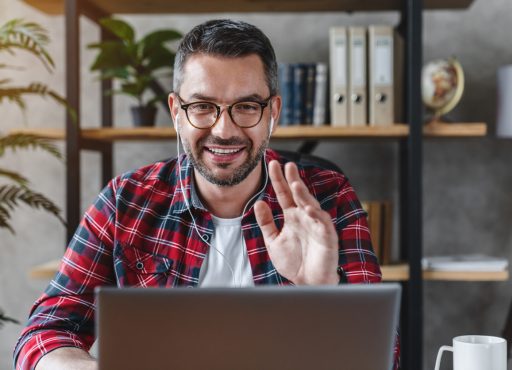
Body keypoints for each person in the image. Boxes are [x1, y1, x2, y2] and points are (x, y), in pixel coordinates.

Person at [14, 19, 398, 370]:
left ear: (273, 113)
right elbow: (44, 332)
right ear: (176, 112)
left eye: (246, 106)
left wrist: (323, 294)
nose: (224, 130)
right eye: (202, 107)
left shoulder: (326, 198)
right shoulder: (125, 200)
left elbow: (385, 358)